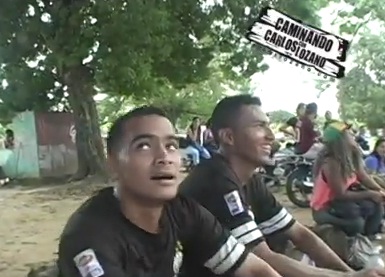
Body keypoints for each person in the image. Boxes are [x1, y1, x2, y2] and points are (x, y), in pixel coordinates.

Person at [57, 106, 282, 277]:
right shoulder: (90, 237)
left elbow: (254, 270)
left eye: (171, 146)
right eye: (144, 146)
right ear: (113, 164)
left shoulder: (183, 210)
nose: (164, 157)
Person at [180, 95, 384, 277]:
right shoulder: (216, 180)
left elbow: (299, 233)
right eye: (259, 126)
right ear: (229, 137)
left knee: (301, 242)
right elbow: (262, 258)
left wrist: (350, 273)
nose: (271, 135)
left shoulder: (249, 178)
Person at [312, 121, 384, 237]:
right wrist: (370, 194)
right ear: (340, 140)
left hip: (341, 204)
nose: (353, 135)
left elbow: (363, 176)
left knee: (376, 205)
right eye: (348, 133)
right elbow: (340, 194)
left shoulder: (352, 155)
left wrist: (380, 191)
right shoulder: (331, 162)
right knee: (357, 224)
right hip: (325, 207)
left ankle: (368, 238)